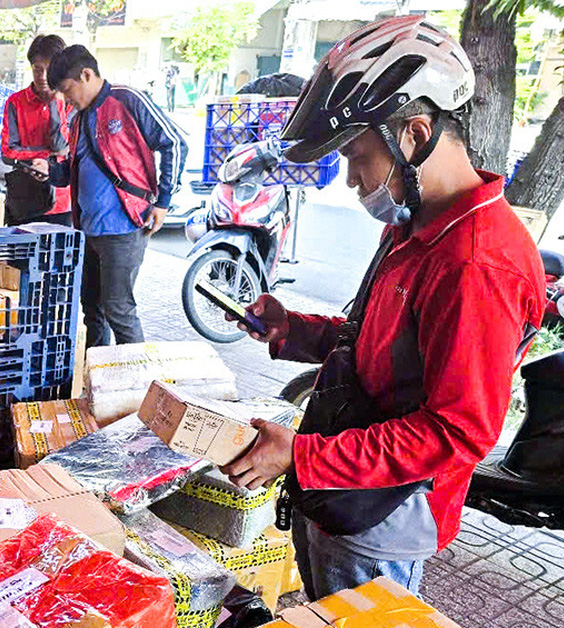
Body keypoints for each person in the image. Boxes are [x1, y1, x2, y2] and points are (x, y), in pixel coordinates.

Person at [218, 15, 545, 600]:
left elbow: (458, 432)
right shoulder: (415, 224)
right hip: (342, 490)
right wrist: (292, 329)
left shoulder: (475, 264)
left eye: (359, 156)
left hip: (383, 519)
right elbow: (373, 339)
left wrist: (303, 455)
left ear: (415, 135)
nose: (350, 180)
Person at [33, 44, 186, 348]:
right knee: (93, 311)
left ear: (86, 75)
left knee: (120, 311)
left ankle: (141, 383)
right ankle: (99, 382)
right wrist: (48, 170)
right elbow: (71, 173)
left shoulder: (127, 100)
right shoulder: (78, 120)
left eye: (67, 89)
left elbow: (174, 143)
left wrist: (163, 202)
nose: (65, 98)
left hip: (124, 228)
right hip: (89, 230)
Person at [0, 34, 72, 227]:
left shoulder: (71, 102)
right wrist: (46, 158)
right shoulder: (15, 102)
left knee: (58, 256)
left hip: (61, 203)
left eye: (49, 70)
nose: (43, 77)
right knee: (21, 257)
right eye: (37, 70)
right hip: (24, 199)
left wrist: (57, 101)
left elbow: (63, 146)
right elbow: (7, 152)